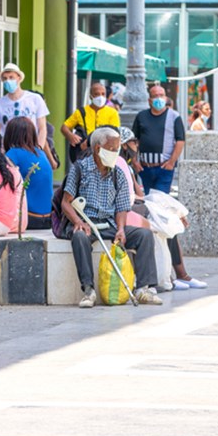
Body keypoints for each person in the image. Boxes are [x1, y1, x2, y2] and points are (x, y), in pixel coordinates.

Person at [60, 127, 162, 308]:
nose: (117, 154)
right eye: (113, 149)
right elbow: (66, 202)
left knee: (144, 235)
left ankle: (143, 288)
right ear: (98, 149)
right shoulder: (80, 169)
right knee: (79, 237)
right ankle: (88, 290)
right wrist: (78, 222)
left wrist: (121, 229)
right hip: (86, 222)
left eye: (118, 150)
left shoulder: (117, 173)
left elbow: (122, 207)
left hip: (108, 224)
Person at [117, 127, 207, 291]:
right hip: (127, 209)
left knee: (168, 218)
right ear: (124, 145)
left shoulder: (126, 166)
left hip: (135, 205)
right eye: (133, 142)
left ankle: (179, 276)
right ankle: (177, 276)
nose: (136, 146)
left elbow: (138, 192)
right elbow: (130, 196)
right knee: (166, 221)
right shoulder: (119, 164)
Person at [132, 85, 186, 194]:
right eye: (155, 96)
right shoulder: (141, 116)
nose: (158, 98)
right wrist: (134, 161)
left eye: (161, 95)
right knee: (148, 200)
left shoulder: (175, 117)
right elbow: (134, 140)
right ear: (149, 100)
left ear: (166, 98)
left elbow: (180, 140)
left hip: (164, 167)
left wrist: (171, 162)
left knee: (160, 201)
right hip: (145, 168)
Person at [3, 117, 54, 230]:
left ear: (10, 134)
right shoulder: (41, 153)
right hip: (49, 220)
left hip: (30, 219)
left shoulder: (13, 154)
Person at [0, 62, 49, 150]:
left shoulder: (35, 99)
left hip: (31, 149)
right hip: (9, 151)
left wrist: (38, 150)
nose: (8, 81)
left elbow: (42, 128)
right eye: (5, 78)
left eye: (11, 77)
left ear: (19, 78)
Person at [61, 82, 120, 162]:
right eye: (97, 94)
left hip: (104, 153)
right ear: (90, 96)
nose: (100, 97)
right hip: (84, 153)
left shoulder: (112, 113)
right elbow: (64, 127)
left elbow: (114, 133)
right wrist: (71, 136)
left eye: (103, 94)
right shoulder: (81, 112)